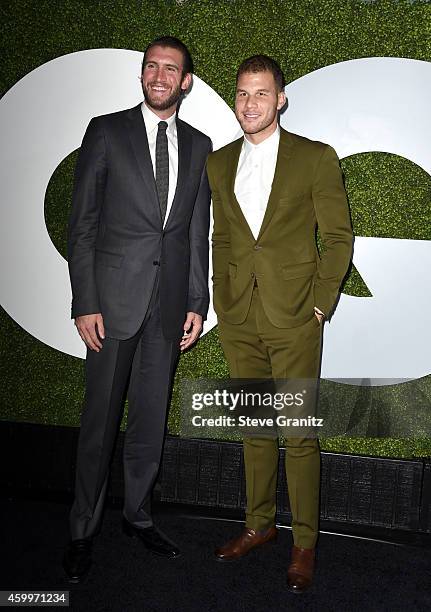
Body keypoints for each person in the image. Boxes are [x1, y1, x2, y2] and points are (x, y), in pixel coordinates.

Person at [63, 36, 212, 583]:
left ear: (186, 82)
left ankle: (138, 516)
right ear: (142, 75)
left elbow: (197, 234)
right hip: (112, 306)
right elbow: (81, 225)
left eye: (170, 69)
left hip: (169, 307)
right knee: (99, 423)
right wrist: (85, 300)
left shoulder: (200, 145)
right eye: (152, 66)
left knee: (149, 422)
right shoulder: (106, 130)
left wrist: (198, 300)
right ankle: (81, 530)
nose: (159, 75)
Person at [206, 55, 353, 593]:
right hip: (239, 316)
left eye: (261, 94)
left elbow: (338, 238)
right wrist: (222, 298)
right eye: (243, 93)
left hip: (295, 318)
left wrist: (319, 305)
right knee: (253, 428)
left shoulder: (314, 158)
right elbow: (223, 236)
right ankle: (258, 525)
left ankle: (304, 543)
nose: (250, 103)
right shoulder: (219, 163)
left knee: (298, 435)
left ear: (281, 98)